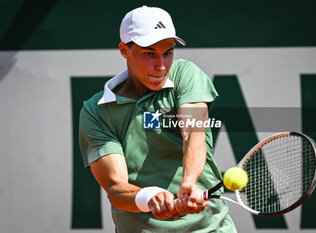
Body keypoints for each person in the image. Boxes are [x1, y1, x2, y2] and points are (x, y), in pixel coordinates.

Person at [79, 5, 236, 232]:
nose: (161, 66)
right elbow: (116, 188)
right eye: (149, 53)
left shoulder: (185, 74)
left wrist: (188, 182)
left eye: (168, 52)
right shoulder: (96, 111)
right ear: (124, 50)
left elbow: (193, 131)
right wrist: (149, 196)